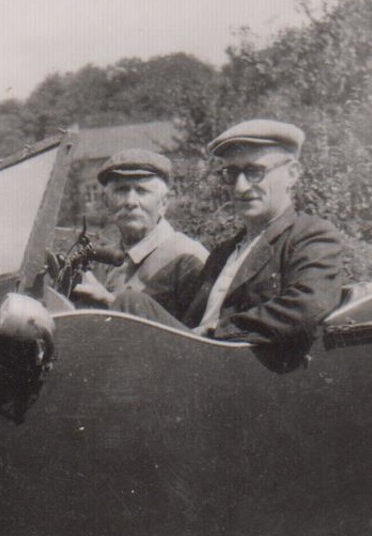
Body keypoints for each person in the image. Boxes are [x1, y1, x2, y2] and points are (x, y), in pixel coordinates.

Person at [116, 119, 343, 362]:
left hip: (243, 373)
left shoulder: (310, 235)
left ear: (292, 174)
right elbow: (186, 322)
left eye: (255, 172)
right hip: (201, 364)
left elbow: (305, 308)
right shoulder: (224, 253)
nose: (240, 187)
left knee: (129, 307)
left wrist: (218, 330)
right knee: (132, 304)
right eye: (231, 174)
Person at [72, 149, 208, 321]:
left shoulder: (187, 258)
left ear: (164, 203)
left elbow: (198, 343)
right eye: (121, 190)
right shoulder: (106, 260)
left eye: (142, 191)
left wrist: (108, 302)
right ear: (107, 202)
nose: (130, 202)